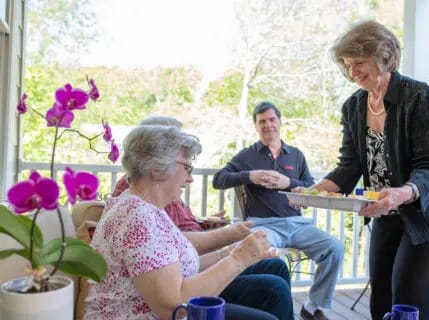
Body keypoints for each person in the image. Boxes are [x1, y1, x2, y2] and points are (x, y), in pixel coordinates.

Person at [305, 20, 429, 320]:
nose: (352, 72)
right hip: (387, 209)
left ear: (383, 57)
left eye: (359, 63)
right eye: (347, 64)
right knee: (381, 299)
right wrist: (310, 191)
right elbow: (350, 165)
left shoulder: (421, 97)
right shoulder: (354, 107)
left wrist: (404, 192)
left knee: (409, 302)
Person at [84, 125, 294, 320]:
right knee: (271, 305)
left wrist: (231, 252)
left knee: (272, 288)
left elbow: (174, 265)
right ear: (156, 169)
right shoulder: (138, 218)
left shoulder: (145, 207)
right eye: (187, 168)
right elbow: (173, 307)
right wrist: (239, 258)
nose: (190, 179)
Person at [213, 101, 344, 320]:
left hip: (298, 225)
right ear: (255, 126)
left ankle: (313, 306)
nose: (267, 125)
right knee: (271, 259)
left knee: (335, 247)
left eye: (271, 119)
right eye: (261, 121)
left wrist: (289, 182)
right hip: (264, 225)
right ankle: (274, 307)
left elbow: (310, 187)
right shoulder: (247, 156)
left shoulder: (296, 155)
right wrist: (249, 176)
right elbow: (219, 179)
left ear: (280, 121)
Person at [112, 115, 226, 231]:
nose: (190, 179)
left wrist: (204, 224)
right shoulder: (141, 192)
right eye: (175, 141)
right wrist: (228, 234)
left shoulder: (160, 186)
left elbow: (175, 232)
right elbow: (172, 237)